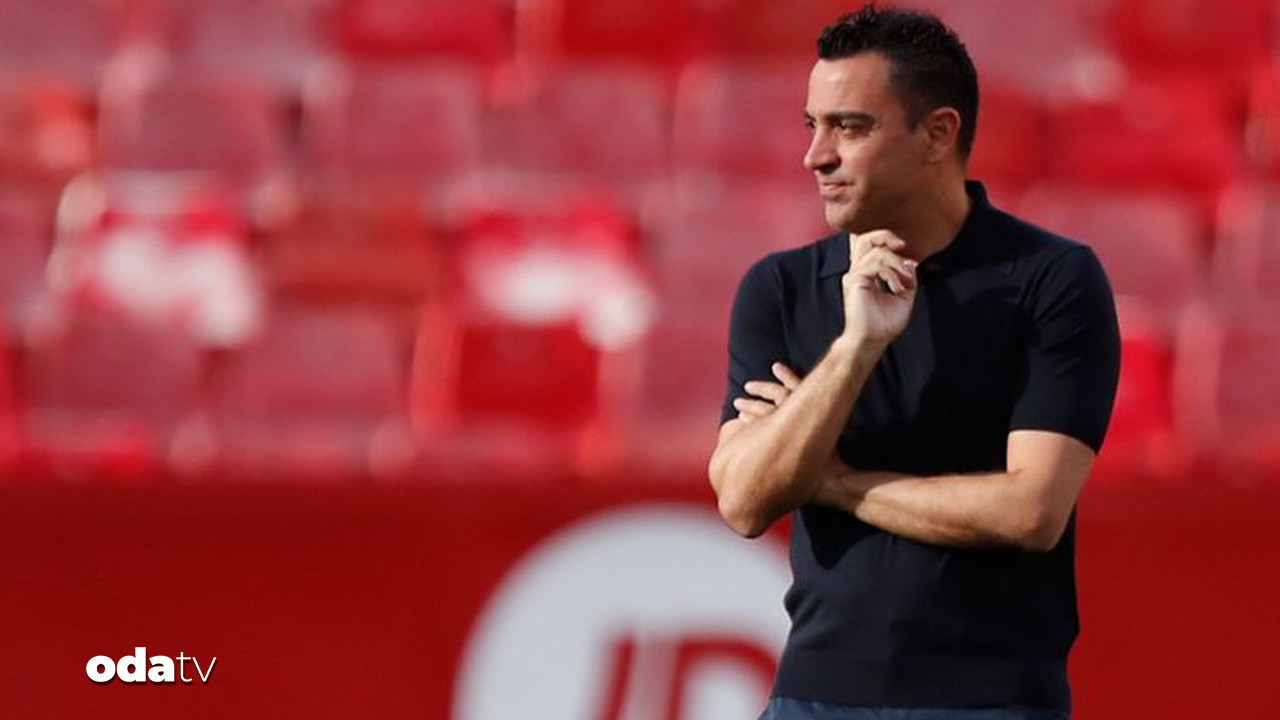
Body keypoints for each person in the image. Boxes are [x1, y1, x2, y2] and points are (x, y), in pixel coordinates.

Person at [706, 6, 1120, 720]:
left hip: (989, 703)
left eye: (850, 127)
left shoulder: (1051, 279)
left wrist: (835, 483)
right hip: (813, 697)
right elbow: (743, 501)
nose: (816, 156)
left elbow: (1031, 512)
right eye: (813, 125)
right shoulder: (779, 288)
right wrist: (856, 347)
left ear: (938, 133)